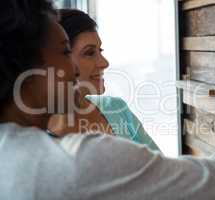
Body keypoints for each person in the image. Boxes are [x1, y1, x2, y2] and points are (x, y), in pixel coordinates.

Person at [0, 0, 215, 199]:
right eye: (64, 52)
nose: (101, 63)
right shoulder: (72, 163)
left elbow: (168, 177)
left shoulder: (12, 154)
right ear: (24, 63)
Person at [48, 9, 160, 151]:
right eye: (89, 53)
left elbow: (166, 169)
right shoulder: (37, 137)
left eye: (100, 51)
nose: (104, 63)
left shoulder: (116, 109)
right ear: (60, 60)